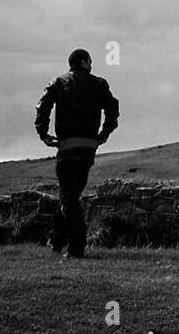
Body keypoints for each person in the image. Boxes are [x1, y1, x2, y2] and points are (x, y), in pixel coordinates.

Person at [34, 49, 119, 259]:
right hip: (89, 148)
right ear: (83, 61)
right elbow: (113, 108)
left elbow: (42, 107)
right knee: (71, 195)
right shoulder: (100, 84)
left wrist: (43, 134)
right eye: (90, 61)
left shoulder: (59, 82)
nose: (92, 64)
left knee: (69, 196)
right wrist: (104, 134)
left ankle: (77, 246)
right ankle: (56, 240)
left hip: (67, 146)